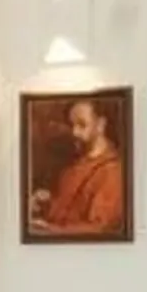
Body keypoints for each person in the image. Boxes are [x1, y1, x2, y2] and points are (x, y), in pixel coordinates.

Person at [28, 94, 127, 238]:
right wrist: (45, 204)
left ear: (100, 125)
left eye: (82, 125)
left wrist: (49, 230)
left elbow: (99, 229)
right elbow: (68, 212)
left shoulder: (112, 171)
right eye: (72, 125)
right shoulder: (75, 165)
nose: (74, 132)